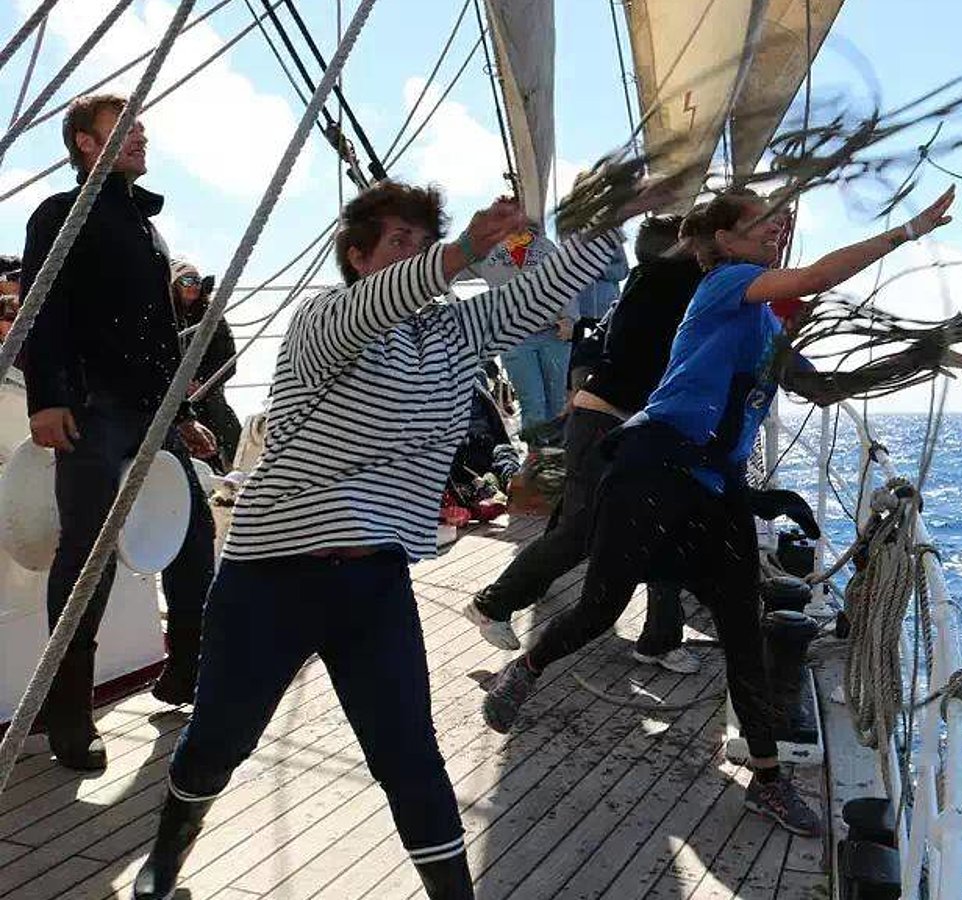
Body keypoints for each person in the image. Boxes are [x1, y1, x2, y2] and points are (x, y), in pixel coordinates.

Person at [130, 179, 650, 900]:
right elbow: (381, 301)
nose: (416, 254)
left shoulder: (452, 334)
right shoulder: (325, 320)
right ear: (358, 255)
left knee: (410, 757)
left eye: (421, 240)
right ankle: (163, 865)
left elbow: (533, 299)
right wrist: (465, 249)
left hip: (373, 580)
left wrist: (609, 222)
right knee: (219, 741)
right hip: (271, 577)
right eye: (398, 242)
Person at [479, 184, 958, 837]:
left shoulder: (765, 326)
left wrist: (917, 357)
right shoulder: (724, 285)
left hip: (716, 484)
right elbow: (817, 275)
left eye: (782, 223)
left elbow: (821, 388)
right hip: (654, 464)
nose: (778, 229)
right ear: (724, 241)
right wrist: (907, 230)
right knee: (601, 606)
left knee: (742, 628)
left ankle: (767, 782)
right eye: (763, 221)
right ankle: (525, 668)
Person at [20, 93, 217, 771]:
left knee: (192, 534)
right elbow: (39, 305)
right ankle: (68, 710)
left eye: (141, 127)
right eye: (124, 127)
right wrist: (46, 401)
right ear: (83, 141)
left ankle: (186, 670)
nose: (140, 135)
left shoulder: (145, 229)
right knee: (89, 554)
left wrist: (184, 416)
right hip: (93, 408)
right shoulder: (58, 213)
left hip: (152, 411)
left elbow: (159, 337)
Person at [462, 215, 703, 672]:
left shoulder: (650, 283)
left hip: (623, 421)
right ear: (685, 247)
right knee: (582, 531)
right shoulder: (669, 280)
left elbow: (596, 340)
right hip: (608, 423)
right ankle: (494, 603)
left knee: (655, 525)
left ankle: (660, 638)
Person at [484, 224, 572, 437]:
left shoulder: (547, 248)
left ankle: (556, 454)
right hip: (513, 336)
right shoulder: (488, 252)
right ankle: (537, 457)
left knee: (557, 399)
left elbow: (567, 282)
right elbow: (456, 267)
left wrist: (569, 317)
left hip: (553, 332)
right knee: (533, 401)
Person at [170, 259, 243, 471]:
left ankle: (233, 464)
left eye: (197, 280)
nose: (194, 285)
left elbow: (227, 359)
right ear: (174, 285)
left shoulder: (211, 315)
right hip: (173, 390)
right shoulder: (163, 314)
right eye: (187, 280)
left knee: (216, 408)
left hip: (207, 387)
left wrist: (201, 382)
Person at [563, 236, 629, 392]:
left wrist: (598, 269)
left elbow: (623, 271)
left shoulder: (614, 242)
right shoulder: (571, 241)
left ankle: (603, 389)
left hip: (605, 311)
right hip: (578, 310)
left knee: (606, 352)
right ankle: (571, 395)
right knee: (573, 357)